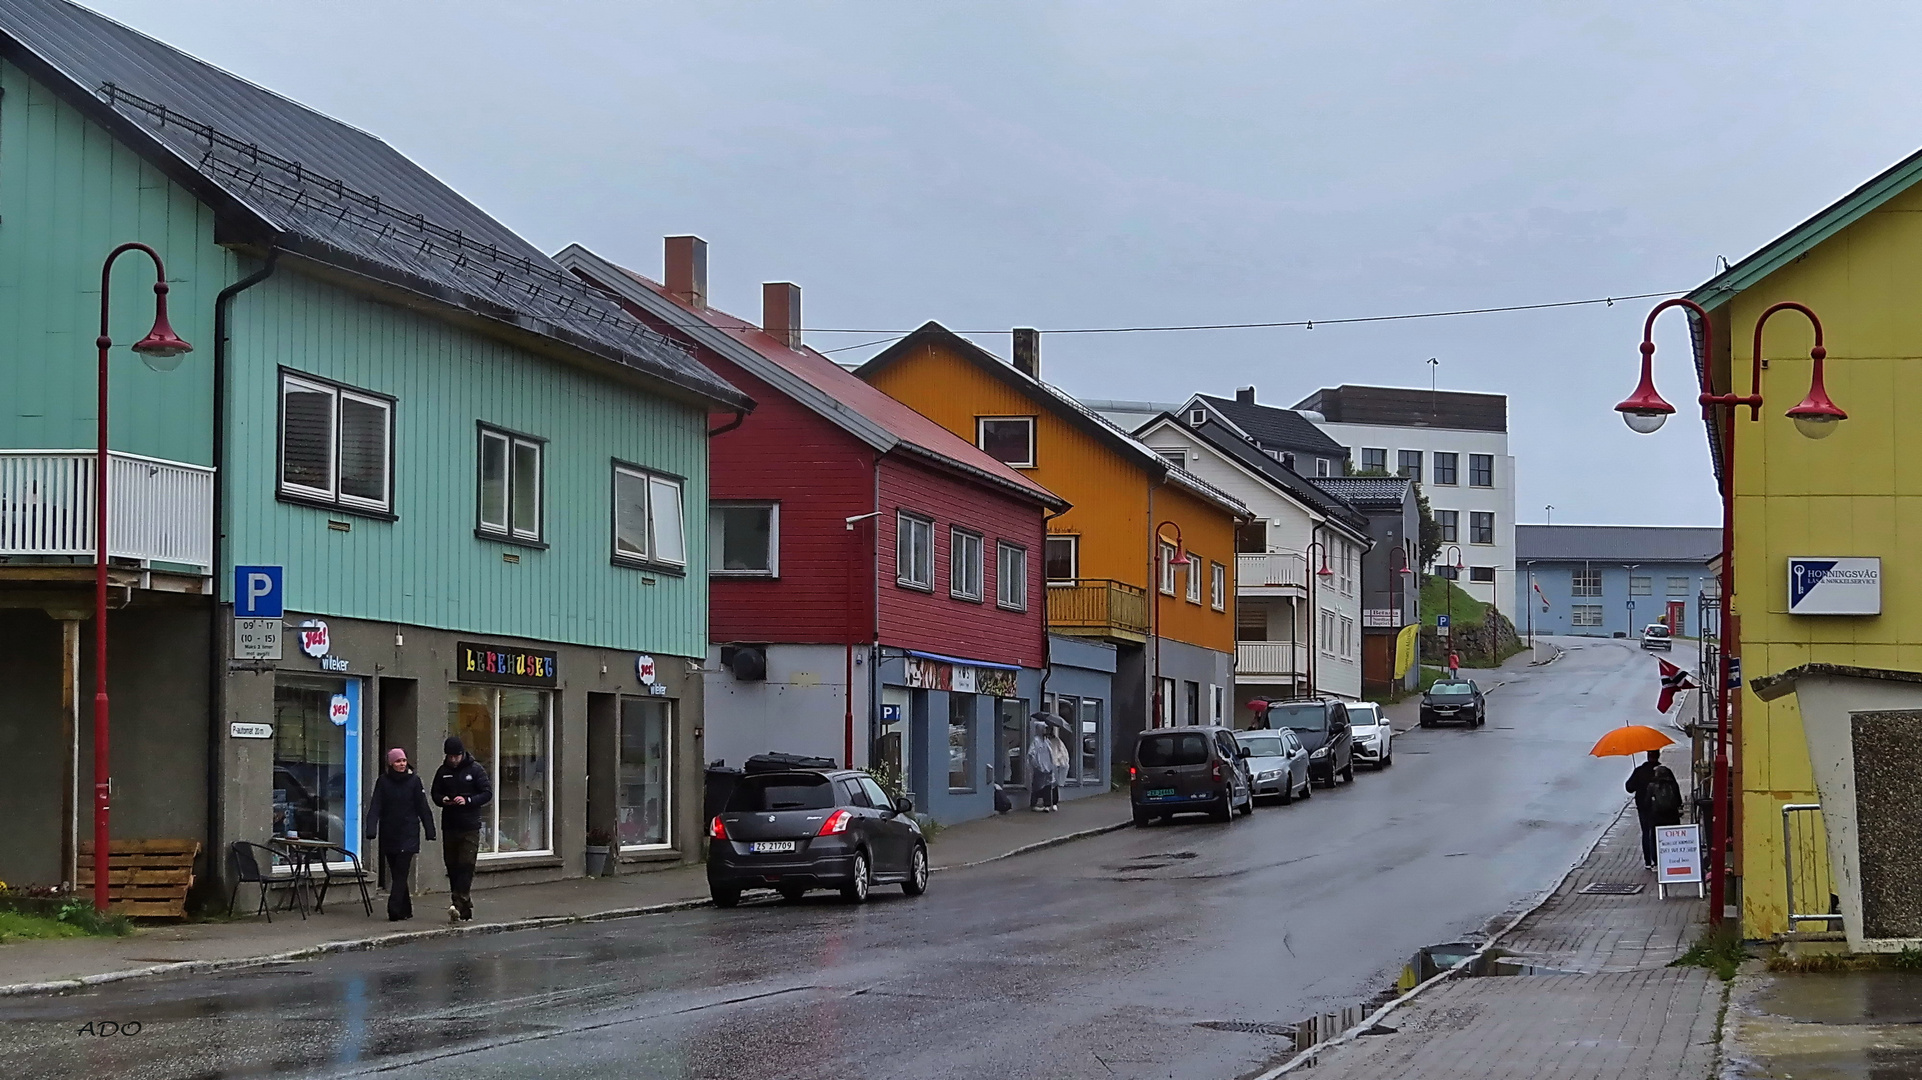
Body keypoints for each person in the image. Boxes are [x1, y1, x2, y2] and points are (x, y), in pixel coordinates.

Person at [365, 748, 436, 921]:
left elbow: (423, 807)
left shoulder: (414, 781)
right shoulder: (383, 781)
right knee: (397, 872)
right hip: (389, 833)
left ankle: (394, 909)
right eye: (398, 761)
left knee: (401, 872)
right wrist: (371, 828)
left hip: (408, 832)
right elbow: (376, 806)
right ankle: (406, 909)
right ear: (391, 763)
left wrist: (430, 829)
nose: (402, 764)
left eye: (403, 760)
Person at [432, 736, 492, 924]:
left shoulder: (475, 770)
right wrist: (444, 800)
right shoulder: (443, 772)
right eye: (451, 757)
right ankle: (462, 907)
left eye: (457, 756)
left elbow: (487, 793)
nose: (454, 760)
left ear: (462, 754)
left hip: (470, 825)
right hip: (450, 824)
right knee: (452, 865)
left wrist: (468, 801)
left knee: (466, 864)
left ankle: (459, 903)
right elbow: (435, 793)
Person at [1625, 749, 1684, 871]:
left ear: (1647, 756)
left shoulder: (1640, 771)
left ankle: (1649, 861)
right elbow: (1675, 790)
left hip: (1645, 808)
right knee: (1663, 835)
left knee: (1647, 834)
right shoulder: (1666, 772)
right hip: (1665, 811)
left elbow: (1629, 788)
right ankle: (1667, 859)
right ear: (1658, 756)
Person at [1027, 719, 1055, 812]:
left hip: (1048, 767)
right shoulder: (1036, 741)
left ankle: (1047, 804)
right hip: (1040, 768)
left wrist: (1051, 765)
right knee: (1037, 786)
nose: (1045, 731)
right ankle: (1033, 804)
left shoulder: (1046, 741)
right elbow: (1031, 754)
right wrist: (1037, 765)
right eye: (1044, 729)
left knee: (1047, 785)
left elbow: (1050, 753)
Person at [1044, 723, 1071, 811]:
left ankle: (1055, 802)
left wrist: (1062, 762)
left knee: (1054, 784)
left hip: (1054, 764)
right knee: (1046, 785)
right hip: (1045, 764)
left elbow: (1063, 752)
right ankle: (1047, 804)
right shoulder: (1042, 741)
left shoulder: (1056, 740)